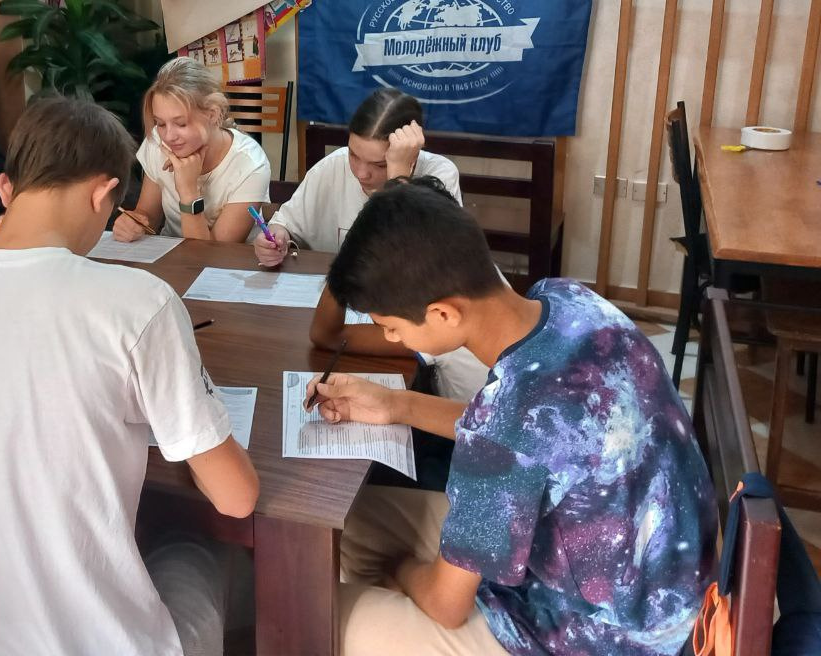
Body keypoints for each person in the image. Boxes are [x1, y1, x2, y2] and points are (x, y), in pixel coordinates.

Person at [0, 96, 260, 656]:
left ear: (6, 189)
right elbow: (236, 497)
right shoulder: (138, 302)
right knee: (206, 551)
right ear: (103, 195)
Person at [306, 179, 716, 656]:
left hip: (607, 637)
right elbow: (530, 436)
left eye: (391, 327)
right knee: (353, 521)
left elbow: (446, 605)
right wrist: (397, 404)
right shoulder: (568, 300)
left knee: (318, 615)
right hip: (666, 585)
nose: (393, 339)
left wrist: (400, 570)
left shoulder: (507, 424)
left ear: (442, 314)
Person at [254, 90, 484, 404]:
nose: (361, 172)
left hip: (407, 335)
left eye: (378, 163)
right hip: (349, 322)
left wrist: (398, 175)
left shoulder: (438, 176)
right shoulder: (331, 167)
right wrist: (278, 235)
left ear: (411, 155)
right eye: (353, 155)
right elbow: (286, 222)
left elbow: (412, 262)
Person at [113, 56, 271, 243]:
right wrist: (134, 224)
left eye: (181, 123)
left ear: (212, 115)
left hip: (224, 259)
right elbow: (148, 217)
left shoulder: (251, 165)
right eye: (160, 123)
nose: (169, 136)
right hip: (171, 255)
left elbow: (211, 253)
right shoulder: (158, 141)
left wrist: (188, 191)